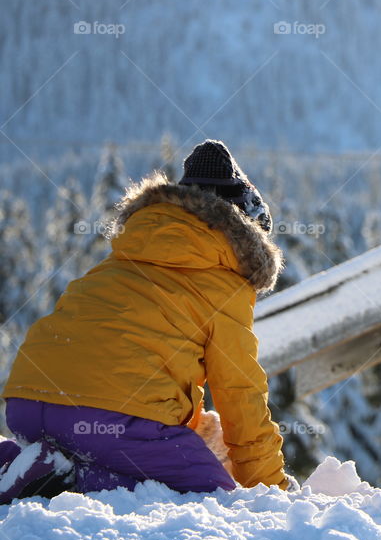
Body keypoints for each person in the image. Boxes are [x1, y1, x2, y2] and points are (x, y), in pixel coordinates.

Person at [0, 140, 288, 501]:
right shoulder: (224, 282)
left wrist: (191, 428)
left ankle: (21, 465)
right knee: (208, 501)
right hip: (108, 420)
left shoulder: (122, 258)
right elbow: (240, 395)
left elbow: (142, 366)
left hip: (27, 403)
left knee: (108, 453)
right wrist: (271, 490)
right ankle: (63, 480)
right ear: (247, 236)